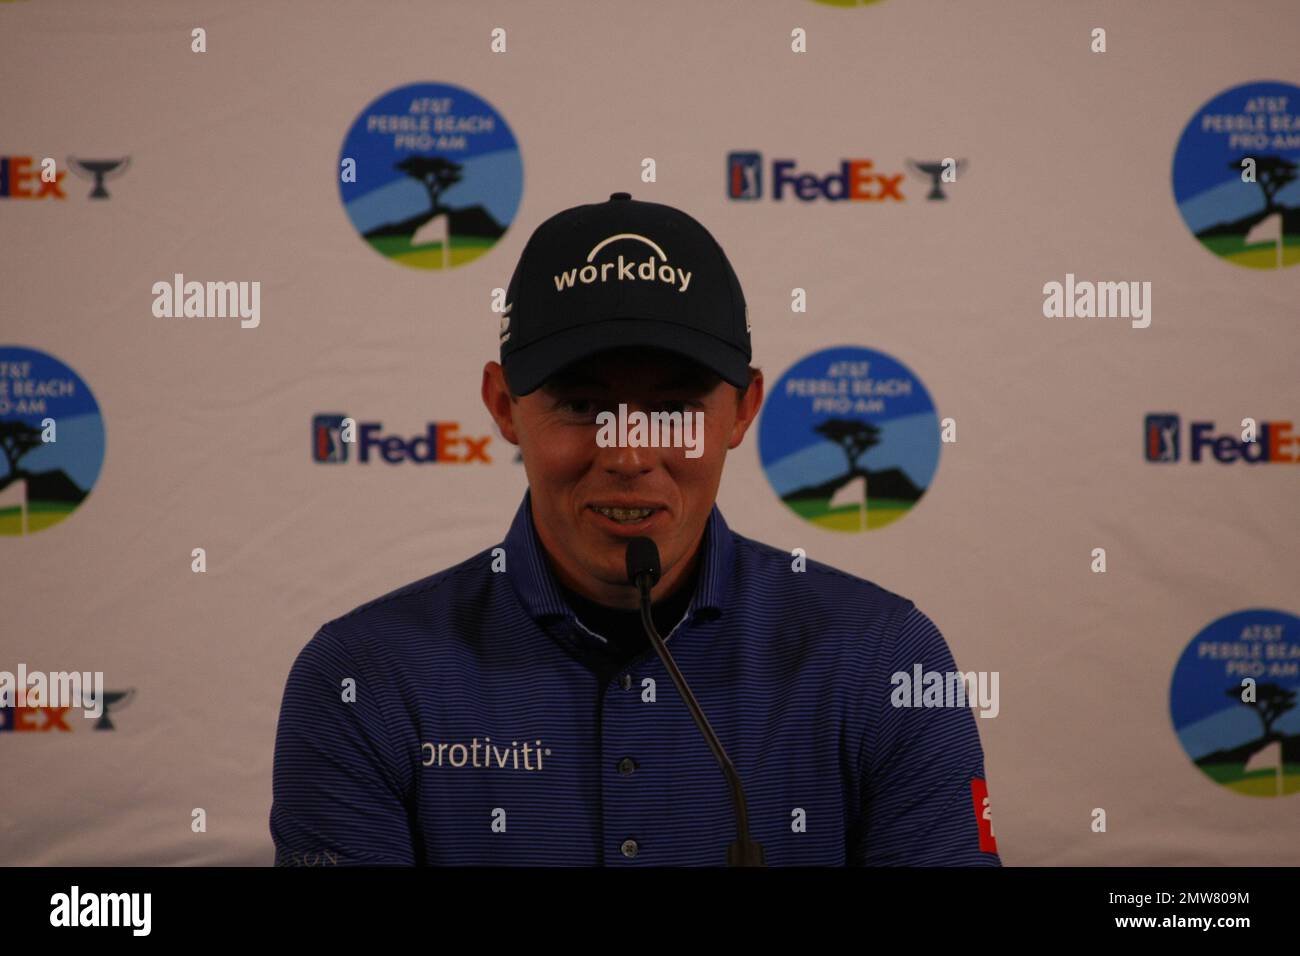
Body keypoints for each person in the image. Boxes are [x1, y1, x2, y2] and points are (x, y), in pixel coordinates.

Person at [270, 192, 1001, 866]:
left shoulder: (883, 661)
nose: (627, 454)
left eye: (674, 407)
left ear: (744, 410)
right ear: (502, 406)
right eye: (584, 405)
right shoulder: (361, 679)